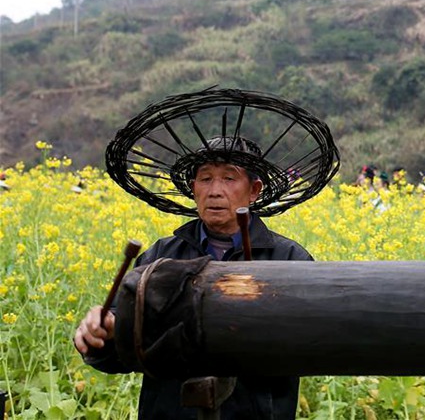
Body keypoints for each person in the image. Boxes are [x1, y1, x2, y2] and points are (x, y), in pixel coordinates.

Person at [74, 88, 339, 420]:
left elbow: (310, 346)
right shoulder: (160, 256)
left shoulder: (288, 259)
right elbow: (120, 349)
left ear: (254, 191)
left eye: (229, 178)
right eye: (206, 178)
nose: (215, 191)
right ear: (193, 187)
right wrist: (102, 335)